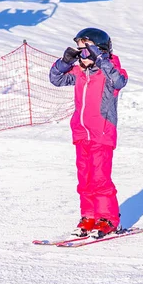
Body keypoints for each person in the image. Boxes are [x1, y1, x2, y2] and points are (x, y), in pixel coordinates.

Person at [49, 28, 128, 239]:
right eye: (79, 52)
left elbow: (120, 81)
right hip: (81, 134)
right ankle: (89, 216)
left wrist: (102, 60)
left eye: (86, 52)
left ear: (99, 53)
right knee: (85, 179)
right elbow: (55, 79)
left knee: (100, 178)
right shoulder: (78, 74)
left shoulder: (110, 73)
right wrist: (64, 62)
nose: (81, 57)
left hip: (102, 134)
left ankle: (108, 219)